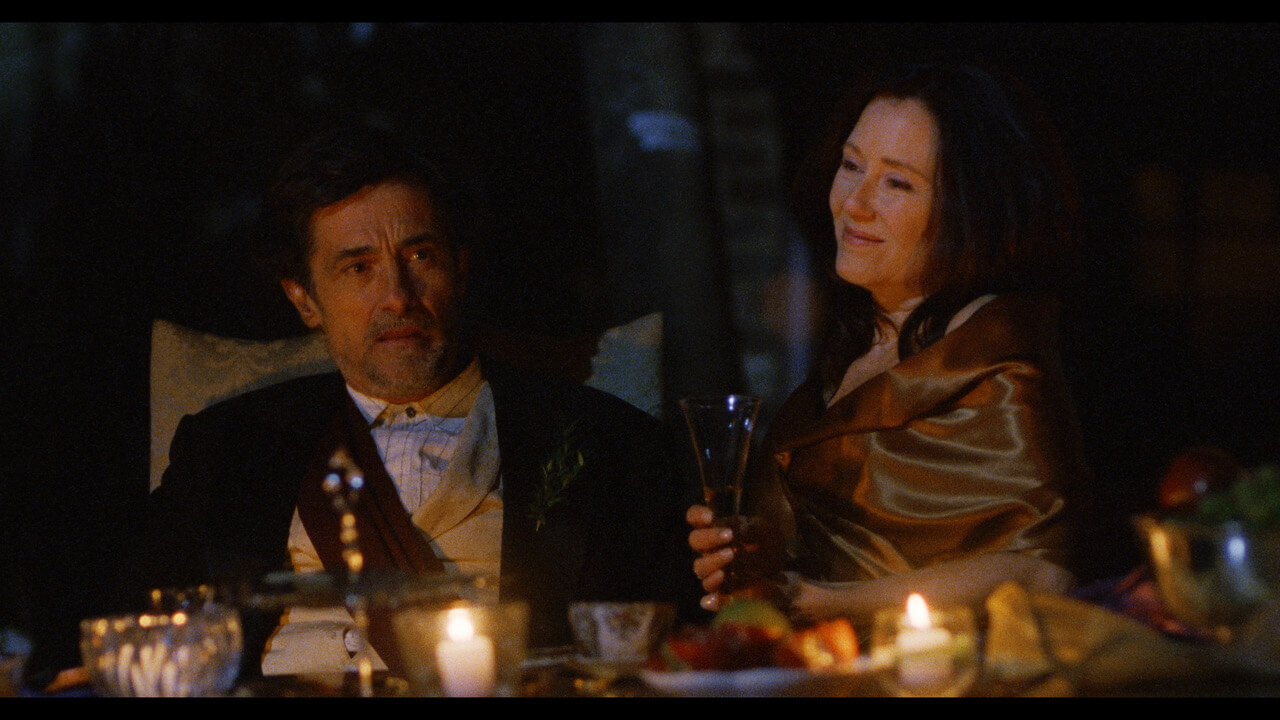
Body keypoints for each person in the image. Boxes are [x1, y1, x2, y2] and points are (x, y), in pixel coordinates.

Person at [108, 122, 702, 681]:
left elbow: (674, 639)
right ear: (305, 300)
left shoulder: (612, 444)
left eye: (419, 256)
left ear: (460, 269)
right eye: (358, 267)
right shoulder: (227, 447)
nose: (397, 297)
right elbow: (134, 632)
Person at [688, 63, 1091, 624]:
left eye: (896, 183)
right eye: (851, 166)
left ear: (967, 208)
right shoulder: (852, 346)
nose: (854, 202)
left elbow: (1040, 570)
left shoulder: (994, 360)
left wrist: (828, 603)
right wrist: (757, 554)